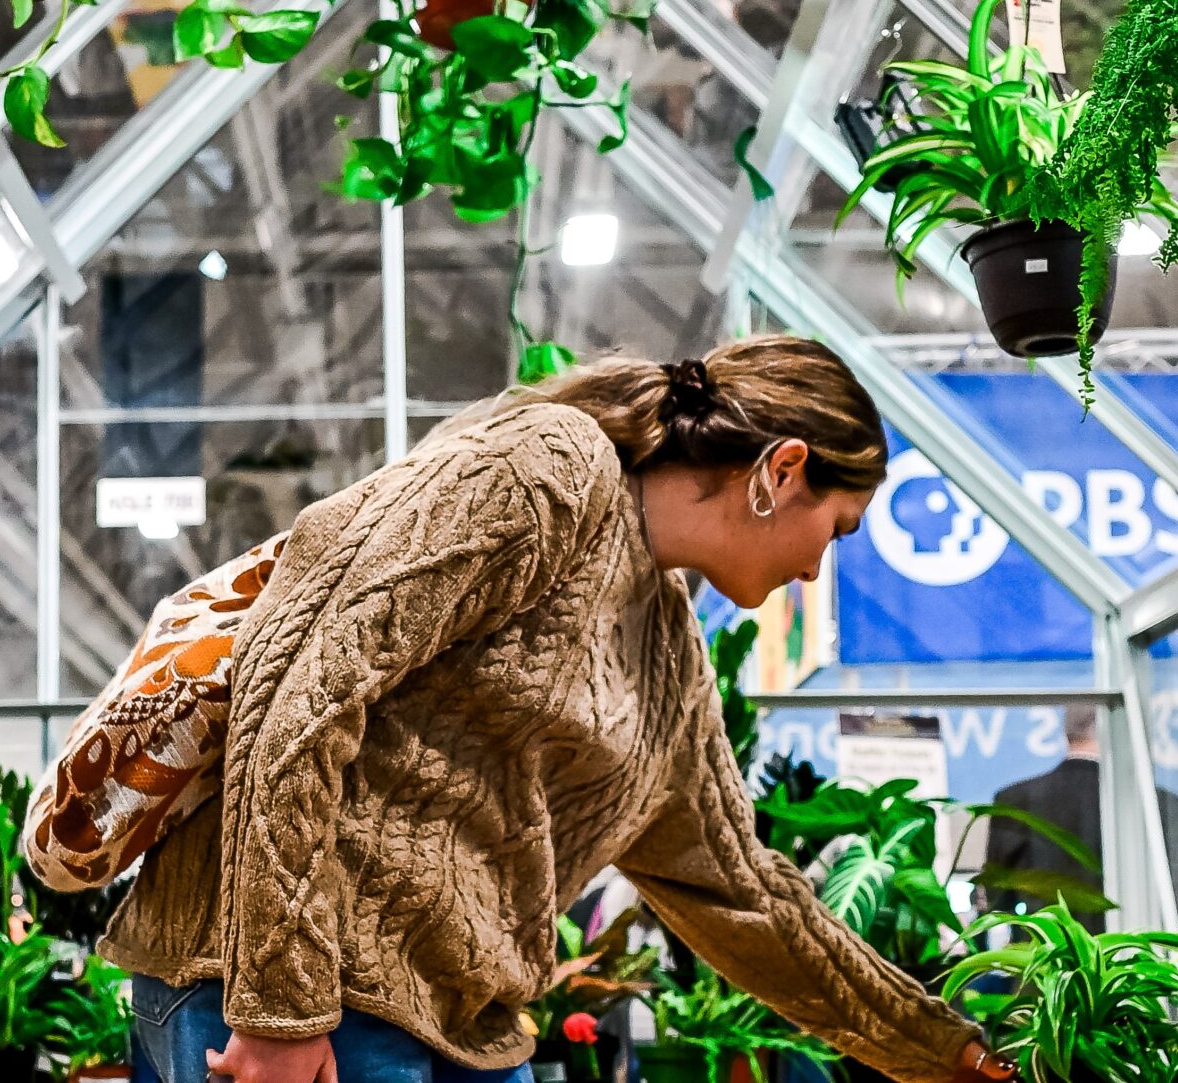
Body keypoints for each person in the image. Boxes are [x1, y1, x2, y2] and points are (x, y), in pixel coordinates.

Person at [101, 338, 1013, 1083]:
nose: (820, 567)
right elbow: (304, 674)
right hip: (293, 997)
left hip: (463, 1023)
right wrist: (280, 1007)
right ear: (781, 468)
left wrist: (945, 1049)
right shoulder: (552, 472)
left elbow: (746, 896)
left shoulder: (668, 655)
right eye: (838, 528)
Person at [977, 704, 1178, 932]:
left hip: (1047, 955)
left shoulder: (1016, 799)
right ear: (1114, 729)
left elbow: (997, 899)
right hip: (1133, 954)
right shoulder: (1159, 803)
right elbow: (1177, 896)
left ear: (1065, 732)